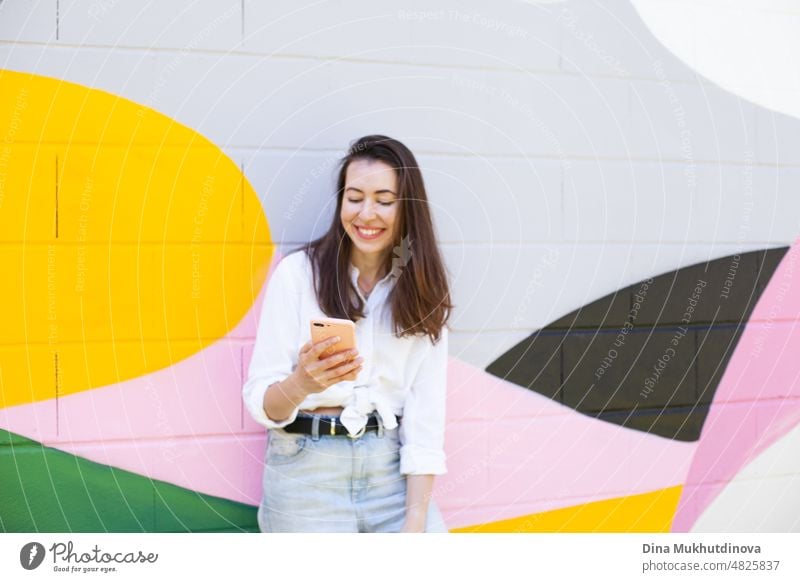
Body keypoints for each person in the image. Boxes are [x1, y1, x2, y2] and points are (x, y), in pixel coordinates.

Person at [242, 135, 453, 533]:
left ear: (407, 208)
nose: (366, 213)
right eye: (354, 197)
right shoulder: (298, 275)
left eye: (384, 200)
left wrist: (415, 522)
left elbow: (426, 420)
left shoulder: (424, 290)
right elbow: (262, 404)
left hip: (391, 472)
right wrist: (301, 384)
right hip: (306, 471)